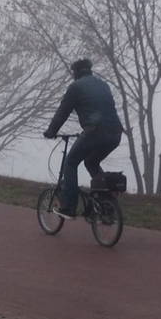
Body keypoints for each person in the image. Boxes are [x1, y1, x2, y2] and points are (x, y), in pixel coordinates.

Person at [43, 58, 126, 218]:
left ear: (75, 73)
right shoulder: (103, 85)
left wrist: (51, 131)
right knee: (91, 162)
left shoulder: (75, 87)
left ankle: (69, 207)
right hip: (116, 133)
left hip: (95, 131)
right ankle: (103, 201)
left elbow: (63, 112)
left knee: (71, 162)